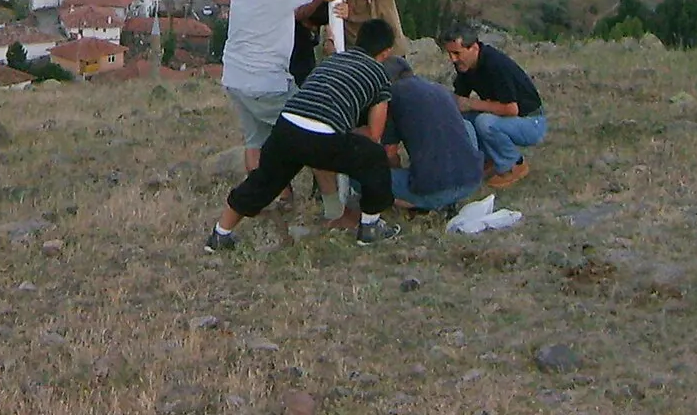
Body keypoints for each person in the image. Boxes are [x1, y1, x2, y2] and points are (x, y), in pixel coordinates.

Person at [207, 17, 403, 250]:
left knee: (264, 181)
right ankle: (370, 227)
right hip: (323, 137)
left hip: (287, 125)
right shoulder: (379, 75)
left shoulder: (334, 59)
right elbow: (374, 133)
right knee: (374, 157)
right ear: (387, 51)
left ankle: (220, 234)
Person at [221, 0, 348, 172]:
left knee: (255, 142)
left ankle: (259, 200)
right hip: (267, 83)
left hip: (235, 78)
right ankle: (332, 205)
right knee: (312, 131)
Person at [376, 52, 484, 214]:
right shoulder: (438, 89)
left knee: (362, 178)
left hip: (435, 190)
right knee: (466, 125)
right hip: (472, 181)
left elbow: (390, 152)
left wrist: (396, 173)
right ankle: (448, 197)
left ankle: (421, 204)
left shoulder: (392, 95)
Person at [437, 26, 545, 187]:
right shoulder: (464, 66)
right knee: (462, 119)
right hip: (506, 118)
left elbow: (511, 109)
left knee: (484, 122)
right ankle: (487, 160)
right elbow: (460, 98)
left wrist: (472, 104)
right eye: (450, 54)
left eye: (457, 53)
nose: (453, 59)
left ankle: (514, 165)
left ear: (473, 47)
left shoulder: (495, 65)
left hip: (530, 121)